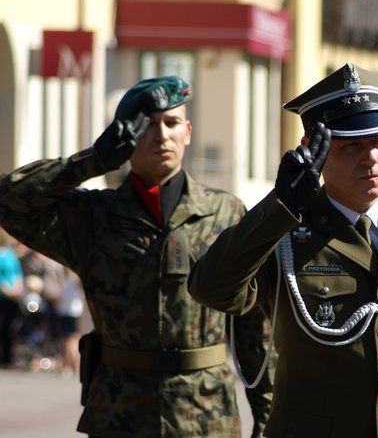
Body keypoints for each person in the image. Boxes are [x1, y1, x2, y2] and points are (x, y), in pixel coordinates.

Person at [189, 63, 378, 438]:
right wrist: (279, 205)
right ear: (315, 152)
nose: (371, 157)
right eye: (351, 147)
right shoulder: (284, 230)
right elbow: (210, 288)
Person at [0, 76, 271, 437]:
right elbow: (8, 202)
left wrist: (268, 420)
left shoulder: (226, 212)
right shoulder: (93, 216)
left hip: (207, 416)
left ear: (187, 131)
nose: (162, 136)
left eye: (172, 123)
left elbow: (254, 325)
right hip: (120, 413)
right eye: (147, 126)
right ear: (123, 138)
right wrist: (92, 161)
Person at [0, 228, 24, 367]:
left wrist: (18, 288)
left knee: (9, 329)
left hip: (12, 297)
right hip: (2, 295)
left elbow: (17, 272)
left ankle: (7, 359)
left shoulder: (9, 253)